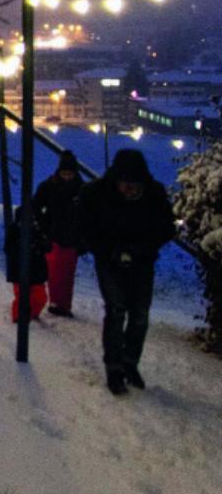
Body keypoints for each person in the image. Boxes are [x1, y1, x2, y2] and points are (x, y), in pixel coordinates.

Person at [78, 148, 178, 396]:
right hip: (109, 261)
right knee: (116, 310)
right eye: (125, 184)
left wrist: (140, 249)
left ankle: (130, 362)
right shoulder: (98, 194)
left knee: (140, 315)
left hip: (141, 262)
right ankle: (114, 367)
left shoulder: (154, 195)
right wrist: (109, 250)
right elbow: (86, 229)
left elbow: (166, 228)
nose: (129, 190)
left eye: (134, 186)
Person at [30, 151, 87, 317]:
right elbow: (36, 207)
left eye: (69, 174)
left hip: (70, 237)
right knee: (56, 272)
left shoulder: (78, 189)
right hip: (55, 235)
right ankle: (58, 303)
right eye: (65, 173)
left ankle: (62, 304)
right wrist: (43, 226)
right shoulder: (53, 187)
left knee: (66, 274)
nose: (67, 177)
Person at [4, 201, 49, 323]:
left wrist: (39, 245)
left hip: (37, 269)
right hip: (20, 270)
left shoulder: (39, 230)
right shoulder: (14, 230)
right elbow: (8, 248)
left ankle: (32, 313)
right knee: (22, 295)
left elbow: (48, 246)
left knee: (40, 296)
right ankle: (19, 317)